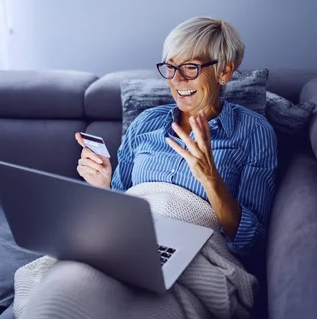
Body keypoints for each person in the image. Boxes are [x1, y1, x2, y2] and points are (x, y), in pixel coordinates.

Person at [76, 16, 278, 258]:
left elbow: (253, 243)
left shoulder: (254, 131)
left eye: (191, 67)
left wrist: (210, 178)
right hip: (127, 240)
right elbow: (121, 209)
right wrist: (104, 187)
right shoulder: (145, 123)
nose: (176, 79)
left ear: (224, 72)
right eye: (170, 67)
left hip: (194, 253)